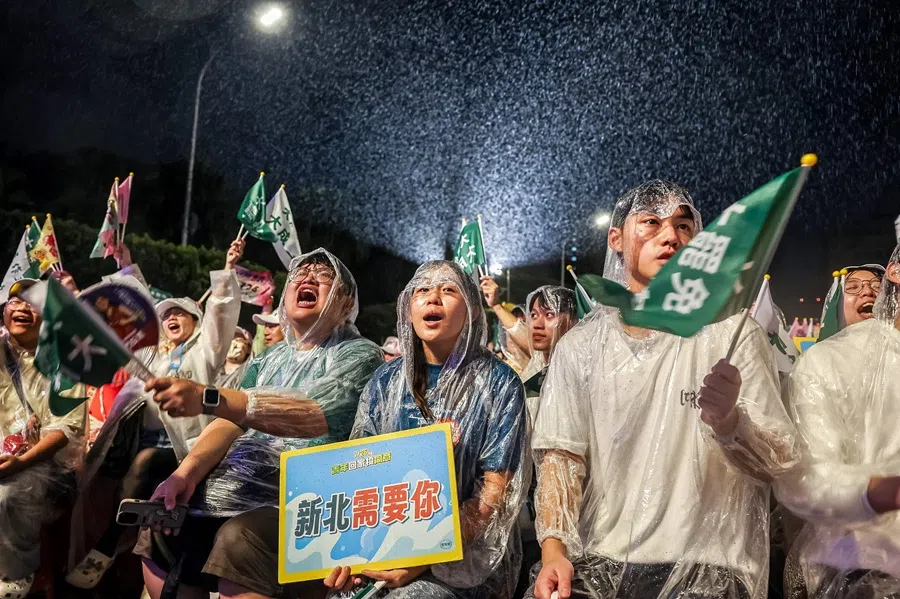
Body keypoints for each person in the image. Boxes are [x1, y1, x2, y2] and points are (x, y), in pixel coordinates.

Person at [527, 180, 799, 599]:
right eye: (651, 222)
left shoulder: (732, 335)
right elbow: (561, 461)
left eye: (683, 226)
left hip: (711, 565)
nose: (670, 236)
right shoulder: (580, 347)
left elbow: (778, 460)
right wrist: (553, 552)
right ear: (615, 239)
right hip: (604, 559)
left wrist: (730, 422)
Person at [136, 248, 383, 599]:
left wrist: (210, 396)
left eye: (324, 277)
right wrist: (184, 475)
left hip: (305, 497)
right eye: (300, 274)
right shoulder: (270, 358)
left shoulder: (358, 353)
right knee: (162, 524)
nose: (308, 278)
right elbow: (229, 423)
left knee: (240, 539)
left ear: (345, 304)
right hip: (236, 486)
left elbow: (315, 415)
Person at [325, 260, 528, 599]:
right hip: (381, 549)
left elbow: (495, 491)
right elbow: (360, 475)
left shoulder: (499, 384)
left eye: (449, 290)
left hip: (465, 566)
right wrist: (350, 555)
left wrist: (424, 556)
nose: (433, 298)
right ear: (408, 308)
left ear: (473, 310)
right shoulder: (385, 382)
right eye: (422, 290)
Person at [65, 240, 243, 589]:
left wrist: (227, 270)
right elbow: (136, 307)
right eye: (167, 315)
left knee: (146, 465)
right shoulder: (153, 357)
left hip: (183, 453)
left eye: (181, 313)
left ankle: (107, 546)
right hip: (129, 446)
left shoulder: (204, 355)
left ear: (197, 321)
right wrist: (125, 264)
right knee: (94, 482)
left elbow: (220, 317)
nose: (171, 317)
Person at [774, 245, 900, 598]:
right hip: (858, 565)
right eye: (854, 287)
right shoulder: (823, 365)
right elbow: (807, 478)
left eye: (874, 285)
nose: (868, 293)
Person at [0, 279, 88, 598]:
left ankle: (15, 576)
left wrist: (22, 460)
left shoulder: (65, 361)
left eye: (32, 303)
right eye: (15, 302)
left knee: (6, 497)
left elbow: (66, 428)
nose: (22, 308)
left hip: (49, 471)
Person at [481, 280, 578, 390]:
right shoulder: (535, 365)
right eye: (533, 315)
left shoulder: (583, 371)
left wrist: (496, 305)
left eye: (549, 314)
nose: (537, 324)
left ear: (572, 321)